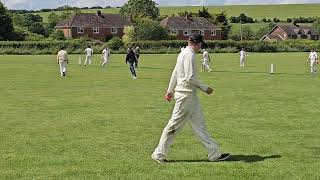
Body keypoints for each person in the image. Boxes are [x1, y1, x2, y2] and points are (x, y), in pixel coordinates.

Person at [151, 33, 230, 163]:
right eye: (200, 45)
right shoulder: (189, 55)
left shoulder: (182, 53)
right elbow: (190, 77)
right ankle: (158, 154)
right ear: (198, 43)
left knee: (200, 126)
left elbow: (175, 73)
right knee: (173, 126)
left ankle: (214, 154)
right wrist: (205, 88)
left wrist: (170, 90)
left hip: (189, 97)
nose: (200, 47)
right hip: (186, 96)